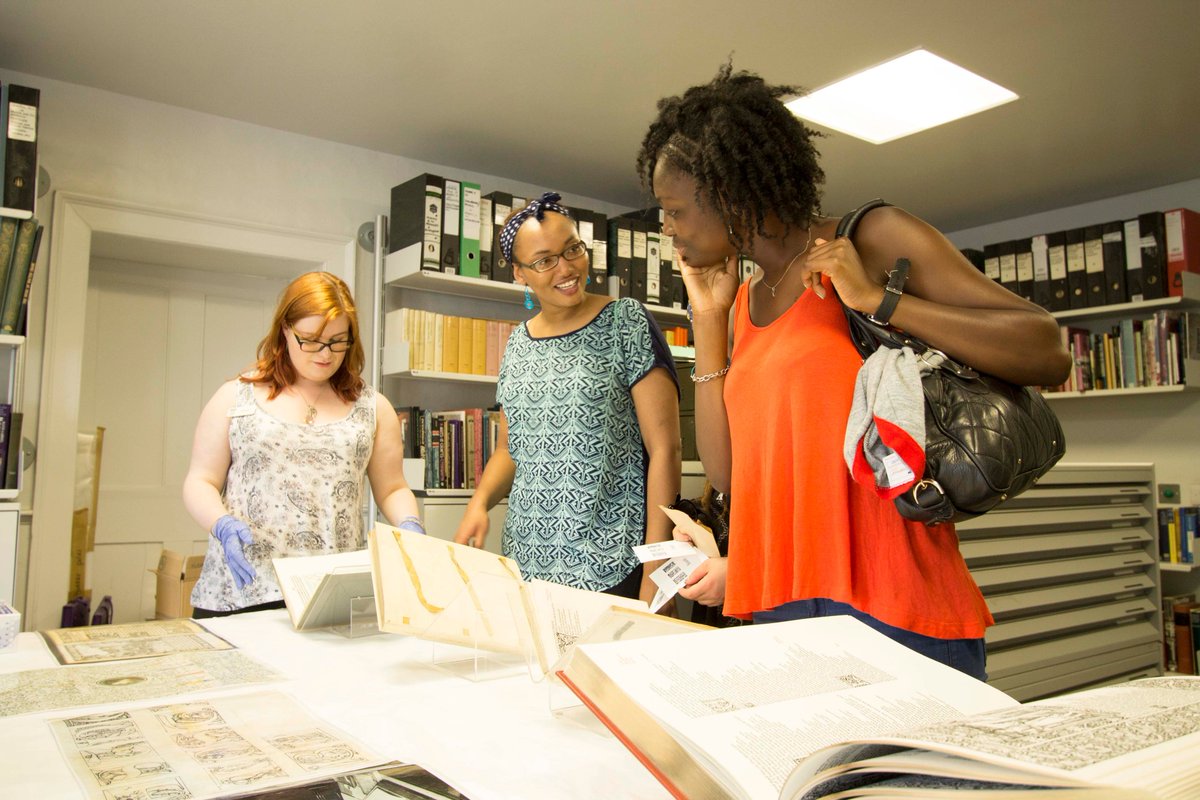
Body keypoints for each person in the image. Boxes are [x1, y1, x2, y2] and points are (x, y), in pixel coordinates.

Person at [638, 65, 1072, 678]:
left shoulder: (868, 238)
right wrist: (709, 322)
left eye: (674, 211)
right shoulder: (743, 302)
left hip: (892, 609)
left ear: (729, 197)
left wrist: (878, 300)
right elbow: (730, 473)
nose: (668, 230)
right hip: (780, 609)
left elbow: (1046, 348)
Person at [453, 193, 681, 604]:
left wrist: (656, 569)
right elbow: (510, 450)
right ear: (520, 274)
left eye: (572, 249)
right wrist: (479, 503)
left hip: (612, 558)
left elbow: (665, 449)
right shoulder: (517, 344)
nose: (567, 267)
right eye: (544, 260)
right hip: (528, 561)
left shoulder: (625, 321)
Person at [182, 271, 424, 617]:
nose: (325, 354)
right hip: (244, 589)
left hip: (330, 592)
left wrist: (409, 525)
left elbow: (392, 488)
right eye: (310, 340)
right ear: (285, 330)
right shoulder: (235, 398)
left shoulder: (373, 407)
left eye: (338, 340)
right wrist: (220, 522)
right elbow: (199, 480)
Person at [669, 482, 742, 628]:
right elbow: (716, 504)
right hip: (719, 609)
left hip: (772, 614)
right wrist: (693, 525)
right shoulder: (725, 479)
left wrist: (740, 572)